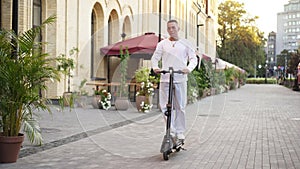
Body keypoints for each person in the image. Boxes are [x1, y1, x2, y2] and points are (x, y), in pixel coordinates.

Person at [151, 19, 197, 143]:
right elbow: (155, 57)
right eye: (169, 28)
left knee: (180, 106)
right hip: (165, 78)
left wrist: (188, 68)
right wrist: (155, 67)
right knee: (164, 106)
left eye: (173, 28)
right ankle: (170, 130)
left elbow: (193, 59)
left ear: (178, 29)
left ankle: (180, 132)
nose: (171, 30)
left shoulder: (186, 44)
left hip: (180, 78)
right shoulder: (162, 44)